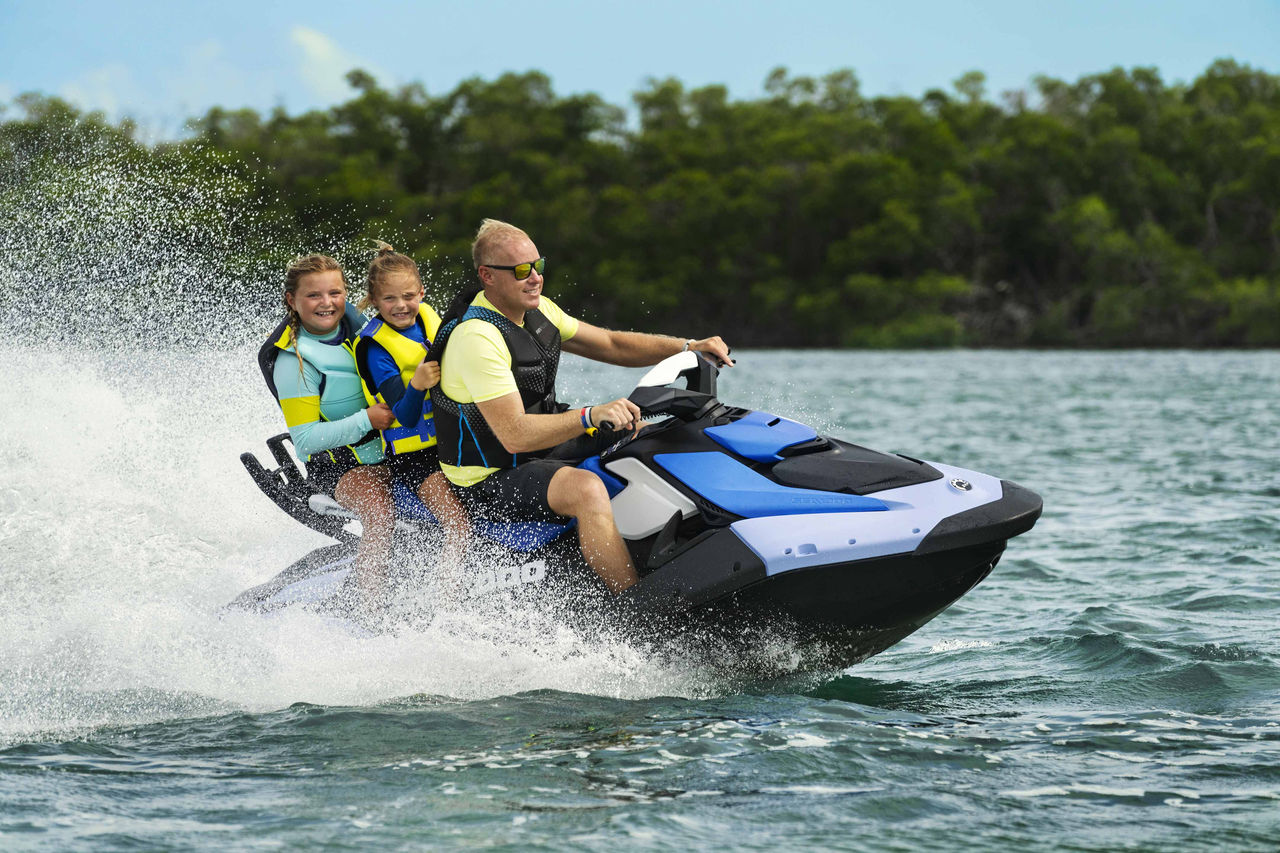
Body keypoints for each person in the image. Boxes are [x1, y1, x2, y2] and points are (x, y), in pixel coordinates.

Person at [431, 219, 733, 594]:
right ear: (487, 276)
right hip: (486, 475)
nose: (535, 278)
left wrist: (688, 346)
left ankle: (684, 540)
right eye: (522, 270)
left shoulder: (539, 311)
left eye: (538, 266)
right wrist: (591, 415)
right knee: (586, 489)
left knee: (642, 432)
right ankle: (632, 608)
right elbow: (513, 436)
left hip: (541, 446)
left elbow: (610, 344)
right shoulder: (476, 338)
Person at [258, 254, 396, 611]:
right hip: (341, 469)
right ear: (292, 300)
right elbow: (305, 440)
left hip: (395, 452)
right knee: (380, 512)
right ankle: (369, 608)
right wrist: (366, 420)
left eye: (335, 293)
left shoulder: (367, 332)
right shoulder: (295, 361)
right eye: (313, 296)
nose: (327, 303)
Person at [353, 242, 470, 579]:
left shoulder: (431, 318)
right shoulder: (377, 349)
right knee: (458, 524)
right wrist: (417, 383)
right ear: (374, 302)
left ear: (422, 292)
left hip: (454, 437)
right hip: (414, 458)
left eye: (408, 296)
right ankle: (445, 606)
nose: (401, 306)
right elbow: (404, 416)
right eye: (389, 299)